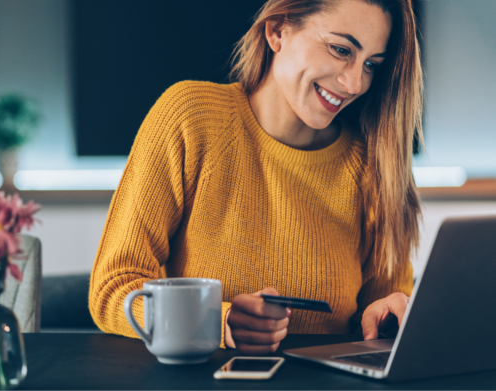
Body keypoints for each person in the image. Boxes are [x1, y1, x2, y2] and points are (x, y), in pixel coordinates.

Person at [89, 0, 423, 355]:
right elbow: (114, 288)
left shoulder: (373, 163)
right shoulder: (189, 120)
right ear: (277, 30)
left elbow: (385, 310)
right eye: (341, 49)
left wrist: (387, 315)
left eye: (371, 65)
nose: (355, 83)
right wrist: (218, 324)